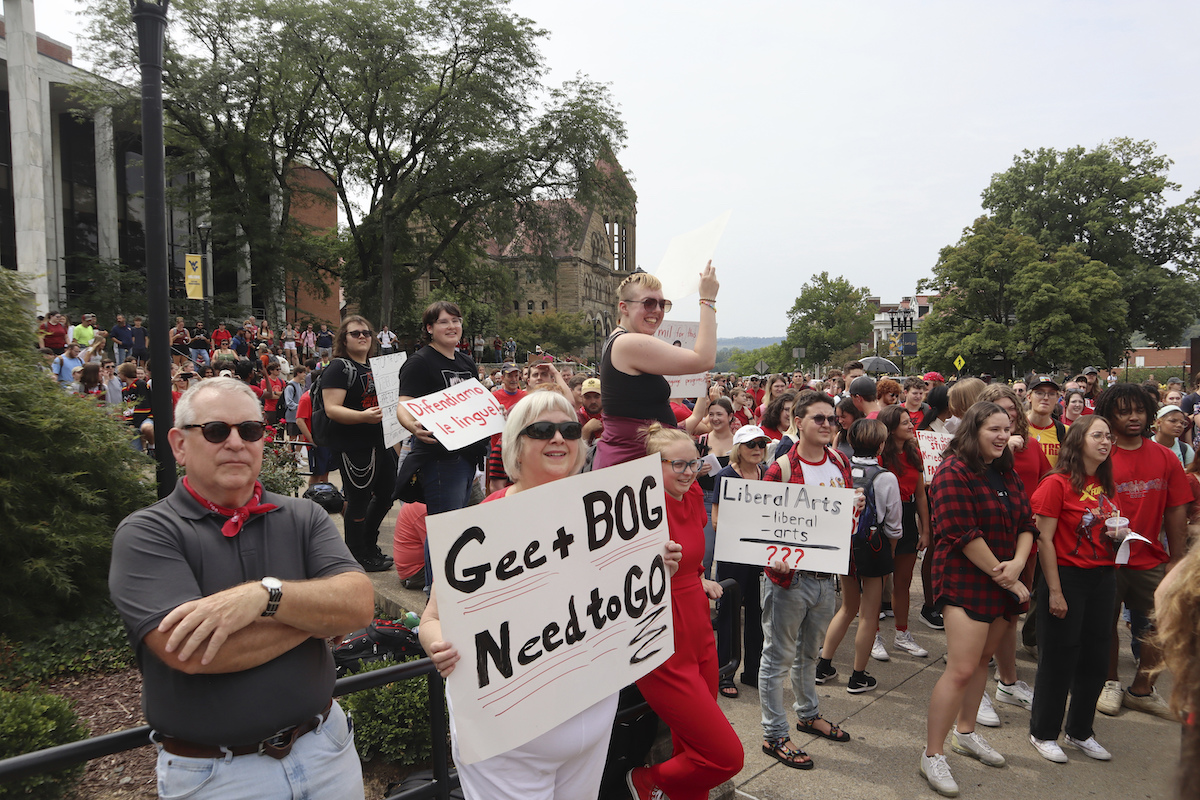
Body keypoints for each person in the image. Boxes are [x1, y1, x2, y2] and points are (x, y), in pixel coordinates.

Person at [108, 378, 373, 800]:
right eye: (216, 431)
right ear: (179, 445)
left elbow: (358, 605)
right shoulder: (147, 533)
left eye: (250, 430)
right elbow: (194, 650)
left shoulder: (304, 515)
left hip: (326, 748)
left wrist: (264, 597)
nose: (236, 443)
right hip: (217, 775)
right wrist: (318, 618)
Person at [418, 391, 683, 800]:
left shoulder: (607, 510)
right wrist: (439, 646)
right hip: (510, 740)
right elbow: (432, 619)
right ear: (515, 446)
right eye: (542, 430)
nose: (558, 438)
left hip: (591, 720)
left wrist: (654, 566)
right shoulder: (481, 526)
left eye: (570, 430)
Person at [920, 402, 1036, 797]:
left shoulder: (1005, 471)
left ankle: (966, 733)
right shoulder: (952, 471)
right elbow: (961, 533)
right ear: (973, 430)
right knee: (961, 668)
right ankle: (932, 753)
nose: (1003, 436)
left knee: (983, 661)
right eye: (994, 429)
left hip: (1004, 578)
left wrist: (1016, 565)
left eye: (1007, 429)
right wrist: (1007, 577)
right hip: (965, 580)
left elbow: (1027, 523)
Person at [627, 422, 743, 800]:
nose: (689, 472)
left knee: (693, 747)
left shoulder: (691, 495)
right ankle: (646, 781)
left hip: (699, 628)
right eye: (678, 464)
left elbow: (693, 556)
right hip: (662, 636)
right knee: (725, 756)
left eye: (694, 463)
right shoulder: (634, 511)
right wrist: (651, 563)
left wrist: (698, 576)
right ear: (651, 466)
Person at [759, 390, 856, 769]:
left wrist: (854, 508)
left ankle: (808, 714)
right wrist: (773, 559)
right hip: (789, 581)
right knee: (777, 658)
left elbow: (843, 524)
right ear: (798, 422)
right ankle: (774, 735)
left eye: (832, 418)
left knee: (808, 654)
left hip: (825, 578)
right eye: (819, 418)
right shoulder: (781, 468)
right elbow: (761, 525)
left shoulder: (839, 462)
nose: (828, 424)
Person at [1027, 415, 1121, 763]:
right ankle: (1043, 732)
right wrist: (1054, 591)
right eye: (1097, 435)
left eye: (1108, 436)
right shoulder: (1056, 484)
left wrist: (1120, 535)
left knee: (1096, 658)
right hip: (1067, 576)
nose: (1105, 441)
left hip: (1103, 577)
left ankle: (1080, 731)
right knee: (1058, 657)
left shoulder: (1106, 484)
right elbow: (1044, 540)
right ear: (1078, 440)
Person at [1094, 384, 1190, 719]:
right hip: (1105, 559)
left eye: (1139, 410)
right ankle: (1108, 682)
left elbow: (1176, 509)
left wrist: (1177, 559)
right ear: (1109, 415)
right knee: (1104, 623)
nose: (1133, 417)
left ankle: (1142, 689)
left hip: (1151, 558)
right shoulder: (1099, 455)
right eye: (1123, 411)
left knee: (1166, 622)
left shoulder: (1165, 457)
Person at [395, 301, 487, 591]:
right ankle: (435, 596)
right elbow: (403, 404)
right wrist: (413, 427)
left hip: (469, 458)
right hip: (440, 459)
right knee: (445, 530)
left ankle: (448, 592)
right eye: (444, 322)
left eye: (456, 321)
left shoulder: (466, 363)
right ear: (429, 328)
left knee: (459, 528)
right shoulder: (420, 362)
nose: (452, 326)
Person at [593, 264, 718, 469]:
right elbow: (704, 360)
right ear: (624, 307)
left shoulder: (621, 340)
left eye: (662, 304)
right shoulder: (628, 343)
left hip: (640, 461)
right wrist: (708, 299)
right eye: (648, 303)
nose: (657, 310)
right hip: (633, 465)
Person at [816, 419, 901, 694]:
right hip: (874, 547)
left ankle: (823, 665)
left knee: (847, 607)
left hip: (845, 544)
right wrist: (890, 549)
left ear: (850, 441)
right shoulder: (885, 477)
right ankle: (858, 676)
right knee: (869, 614)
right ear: (881, 445)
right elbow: (894, 525)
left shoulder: (840, 471)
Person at [322, 316, 395, 572]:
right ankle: (356, 555)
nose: (362, 336)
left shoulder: (376, 367)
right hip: (353, 445)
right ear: (344, 339)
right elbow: (332, 408)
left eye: (366, 332)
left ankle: (368, 545)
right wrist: (363, 417)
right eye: (355, 333)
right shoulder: (339, 367)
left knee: (388, 494)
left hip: (380, 441)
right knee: (358, 500)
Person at [712, 424, 770, 699]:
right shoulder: (725, 476)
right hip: (733, 555)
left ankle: (753, 670)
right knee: (729, 614)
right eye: (751, 444)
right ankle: (725, 672)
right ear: (739, 448)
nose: (757, 449)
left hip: (759, 555)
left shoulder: (766, 474)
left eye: (761, 444)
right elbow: (716, 519)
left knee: (758, 613)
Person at [876, 404, 931, 661]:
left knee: (903, 582)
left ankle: (902, 633)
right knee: (878, 582)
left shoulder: (914, 453)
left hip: (907, 517)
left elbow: (920, 495)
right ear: (890, 428)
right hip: (883, 517)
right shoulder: (880, 456)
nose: (912, 425)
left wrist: (925, 529)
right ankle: (873, 634)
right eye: (905, 422)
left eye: (911, 421)